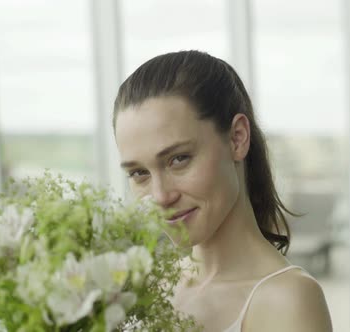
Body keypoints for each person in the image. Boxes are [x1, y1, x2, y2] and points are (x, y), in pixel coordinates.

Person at [113, 50, 332, 332]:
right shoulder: (151, 288)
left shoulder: (287, 300)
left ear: (237, 138)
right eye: (139, 173)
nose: (161, 197)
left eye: (178, 159)